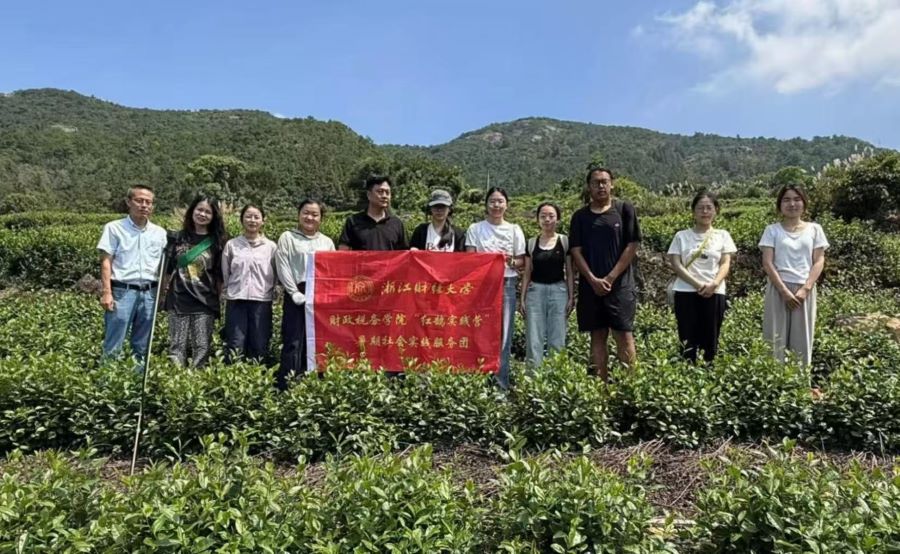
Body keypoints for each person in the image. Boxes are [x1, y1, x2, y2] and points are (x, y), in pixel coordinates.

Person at [569, 167, 641, 382]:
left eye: (604, 182)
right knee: (597, 336)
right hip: (590, 287)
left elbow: (632, 245)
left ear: (612, 184)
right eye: (596, 182)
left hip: (620, 286)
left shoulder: (624, 209)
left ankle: (631, 388)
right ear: (588, 186)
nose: (601, 186)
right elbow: (575, 251)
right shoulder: (580, 217)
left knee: (624, 335)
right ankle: (600, 390)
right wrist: (592, 279)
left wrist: (610, 277)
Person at [97, 185, 168, 368]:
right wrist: (106, 292)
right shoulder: (114, 228)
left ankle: (136, 380)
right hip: (122, 291)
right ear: (128, 202)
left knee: (143, 345)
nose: (144, 205)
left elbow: (163, 266)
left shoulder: (160, 233)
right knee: (114, 342)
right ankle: (108, 380)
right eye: (139, 200)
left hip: (149, 293)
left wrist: (161, 295)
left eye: (148, 202)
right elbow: (106, 261)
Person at [759, 184, 828, 368]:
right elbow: (767, 262)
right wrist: (783, 291)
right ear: (780, 204)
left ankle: (800, 382)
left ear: (804, 203)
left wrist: (805, 289)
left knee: (802, 341)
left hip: (804, 290)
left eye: (797, 199)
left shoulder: (815, 229)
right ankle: (773, 380)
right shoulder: (772, 230)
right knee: (774, 340)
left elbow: (819, 260)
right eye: (786, 200)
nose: (792, 204)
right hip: (777, 289)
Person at [466, 187, 526, 389]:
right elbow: (470, 259)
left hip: (506, 284)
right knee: (479, 334)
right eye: (492, 201)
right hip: (482, 287)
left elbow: (521, 261)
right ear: (486, 204)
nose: (496, 205)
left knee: (504, 336)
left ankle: (501, 385)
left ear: (506, 205)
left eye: (500, 201)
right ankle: (479, 384)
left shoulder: (514, 229)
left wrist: (509, 261)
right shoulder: (475, 229)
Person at [667, 191, 736, 363]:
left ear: (716, 210)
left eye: (709, 208)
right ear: (693, 211)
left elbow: (725, 263)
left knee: (711, 337)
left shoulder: (723, 235)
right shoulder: (681, 236)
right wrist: (697, 284)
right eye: (700, 208)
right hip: (685, 291)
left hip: (715, 291)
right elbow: (676, 264)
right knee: (687, 338)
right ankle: (687, 371)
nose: (705, 212)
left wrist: (714, 284)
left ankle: (709, 371)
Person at [275, 198, 335, 390]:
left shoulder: (327, 242)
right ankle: (287, 386)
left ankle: (318, 385)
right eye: (306, 213)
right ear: (299, 215)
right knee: (293, 339)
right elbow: (283, 265)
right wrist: (293, 291)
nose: (310, 217)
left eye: (315, 214)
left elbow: (333, 271)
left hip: (319, 297)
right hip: (297, 294)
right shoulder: (288, 237)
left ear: (321, 218)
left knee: (319, 340)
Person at [162, 195, 228, 367]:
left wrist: (219, 300)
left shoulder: (218, 242)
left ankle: (197, 380)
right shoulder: (177, 238)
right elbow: (167, 270)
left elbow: (219, 276)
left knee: (202, 347)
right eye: (199, 210)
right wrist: (162, 294)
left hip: (205, 301)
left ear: (213, 216)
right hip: (178, 298)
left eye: (208, 212)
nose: (202, 214)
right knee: (177, 346)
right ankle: (176, 379)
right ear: (192, 211)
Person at [519, 202, 574, 368]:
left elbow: (569, 271)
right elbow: (527, 272)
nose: (547, 219)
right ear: (537, 219)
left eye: (551, 216)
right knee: (533, 338)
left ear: (558, 219)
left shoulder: (564, 241)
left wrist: (571, 297)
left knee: (557, 338)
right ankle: (533, 378)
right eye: (543, 216)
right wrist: (522, 298)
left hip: (559, 291)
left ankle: (555, 376)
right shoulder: (531, 243)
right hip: (535, 292)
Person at [221, 204, 277, 364]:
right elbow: (226, 273)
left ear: (263, 220)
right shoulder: (232, 245)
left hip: (261, 301)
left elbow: (276, 274)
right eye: (248, 216)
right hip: (236, 300)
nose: (252, 220)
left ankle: (257, 377)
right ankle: (233, 376)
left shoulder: (271, 247)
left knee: (259, 343)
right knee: (235, 343)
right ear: (242, 220)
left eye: (256, 217)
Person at [338, 174, 407, 251]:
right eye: (380, 192)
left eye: (387, 192)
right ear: (369, 195)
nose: (384, 196)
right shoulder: (353, 222)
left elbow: (404, 253)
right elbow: (343, 252)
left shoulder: (397, 223)